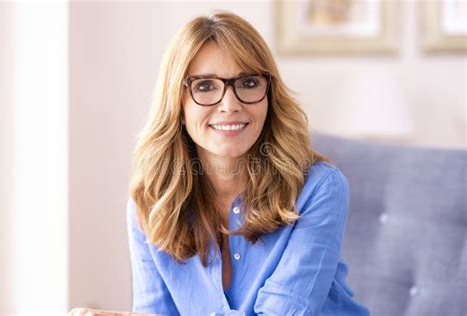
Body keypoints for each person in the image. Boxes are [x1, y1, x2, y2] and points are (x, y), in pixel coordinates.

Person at [127, 11, 370, 316]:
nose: (230, 105)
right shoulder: (151, 202)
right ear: (177, 100)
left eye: (249, 82)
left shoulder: (319, 188)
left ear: (269, 94)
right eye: (205, 86)